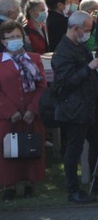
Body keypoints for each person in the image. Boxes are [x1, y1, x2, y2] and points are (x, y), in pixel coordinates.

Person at [51, 11, 98, 203]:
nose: (89, 33)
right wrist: (88, 67)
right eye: (87, 30)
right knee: (73, 150)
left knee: (97, 144)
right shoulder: (63, 52)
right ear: (76, 29)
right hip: (75, 109)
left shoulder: (77, 46)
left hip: (88, 106)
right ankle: (72, 190)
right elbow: (64, 83)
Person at [0, 20, 47, 200]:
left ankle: (29, 184)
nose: (14, 40)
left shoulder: (33, 59)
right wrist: (10, 111)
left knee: (30, 148)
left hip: (30, 114)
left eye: (17, 36)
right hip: (7, 116)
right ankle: (8, 186)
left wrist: (32, 109)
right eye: (10, 38)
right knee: (6, 151)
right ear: (3, 41)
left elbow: (41, 86)